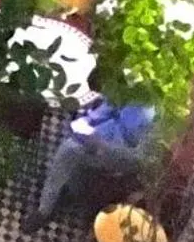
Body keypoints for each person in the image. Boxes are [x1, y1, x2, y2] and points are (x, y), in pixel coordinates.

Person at [23, 84, 155, 233]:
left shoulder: (159, 118)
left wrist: (102, 146)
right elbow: (103, 111)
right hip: (95, 137)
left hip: (116, 153)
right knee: (70, 132)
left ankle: (44, 210)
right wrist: (85, 122)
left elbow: (138, 159)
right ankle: (65, 190)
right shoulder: (130, 88)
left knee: (69, 150)